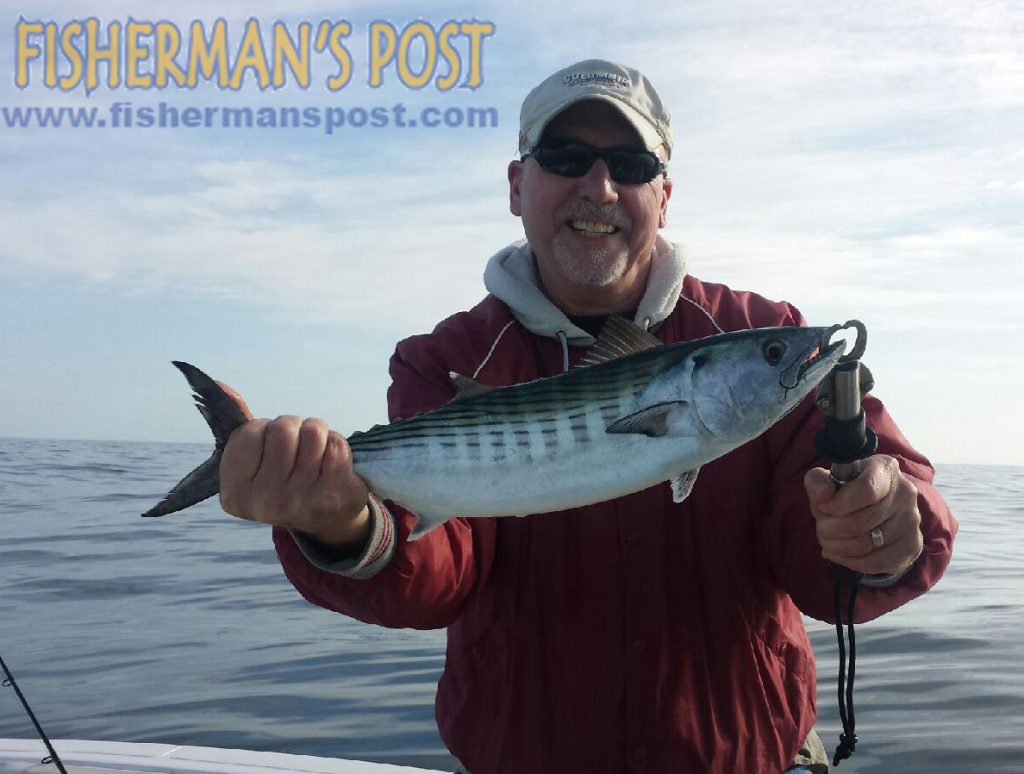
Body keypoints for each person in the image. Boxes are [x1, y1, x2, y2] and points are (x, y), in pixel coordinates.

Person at [218, 60, 957, 774]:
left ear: (663, 195)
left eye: (631, 165)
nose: (598, 187)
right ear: (517, 184)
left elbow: (844, 550)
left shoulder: (761, 329)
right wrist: (343, 524)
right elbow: (442, 572)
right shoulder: (446, 360)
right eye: (566, 157)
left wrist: (887, 528)